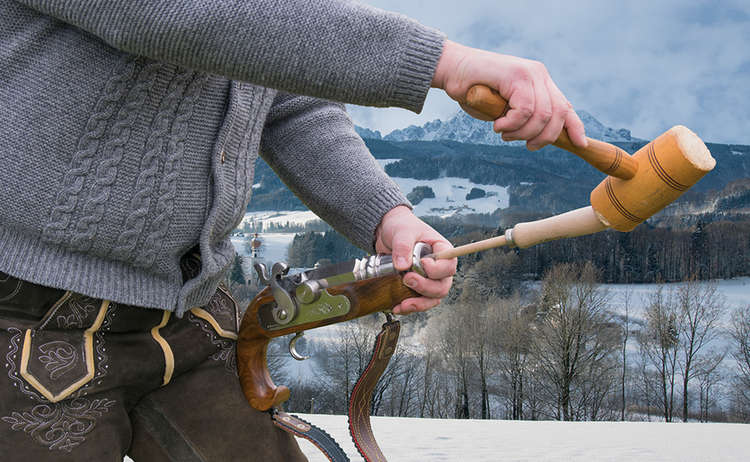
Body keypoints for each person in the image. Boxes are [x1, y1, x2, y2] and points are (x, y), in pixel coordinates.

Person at [0, 1, 586, 461]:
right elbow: (176, 15)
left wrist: (388, 216)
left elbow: (290, 104)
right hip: (28, 325)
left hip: (191, 320)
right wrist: (444, 61)